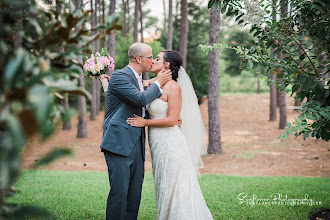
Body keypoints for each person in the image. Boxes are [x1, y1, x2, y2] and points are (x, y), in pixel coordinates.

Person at [127, 51, 213, 219]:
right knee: (163, 185)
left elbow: (173, 120)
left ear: (166, 65)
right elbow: (140, 85)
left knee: (175, 186)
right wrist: (110, 79)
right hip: (158, 143)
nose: (152, 61)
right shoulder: (156, 85)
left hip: (171, 144)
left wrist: (145, 122)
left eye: (157, 59)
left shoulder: (174, 87)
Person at [99, 43, 172, 220]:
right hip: (119, 142)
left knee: (134, 194)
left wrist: (168, 118)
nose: (152, 60)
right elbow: (140, 99)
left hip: (137, 142)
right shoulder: (119, 76)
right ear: (139, 59)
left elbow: (143, 107)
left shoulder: (139, 79)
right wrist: (159, 82)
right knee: (120, 192)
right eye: (150, 56)